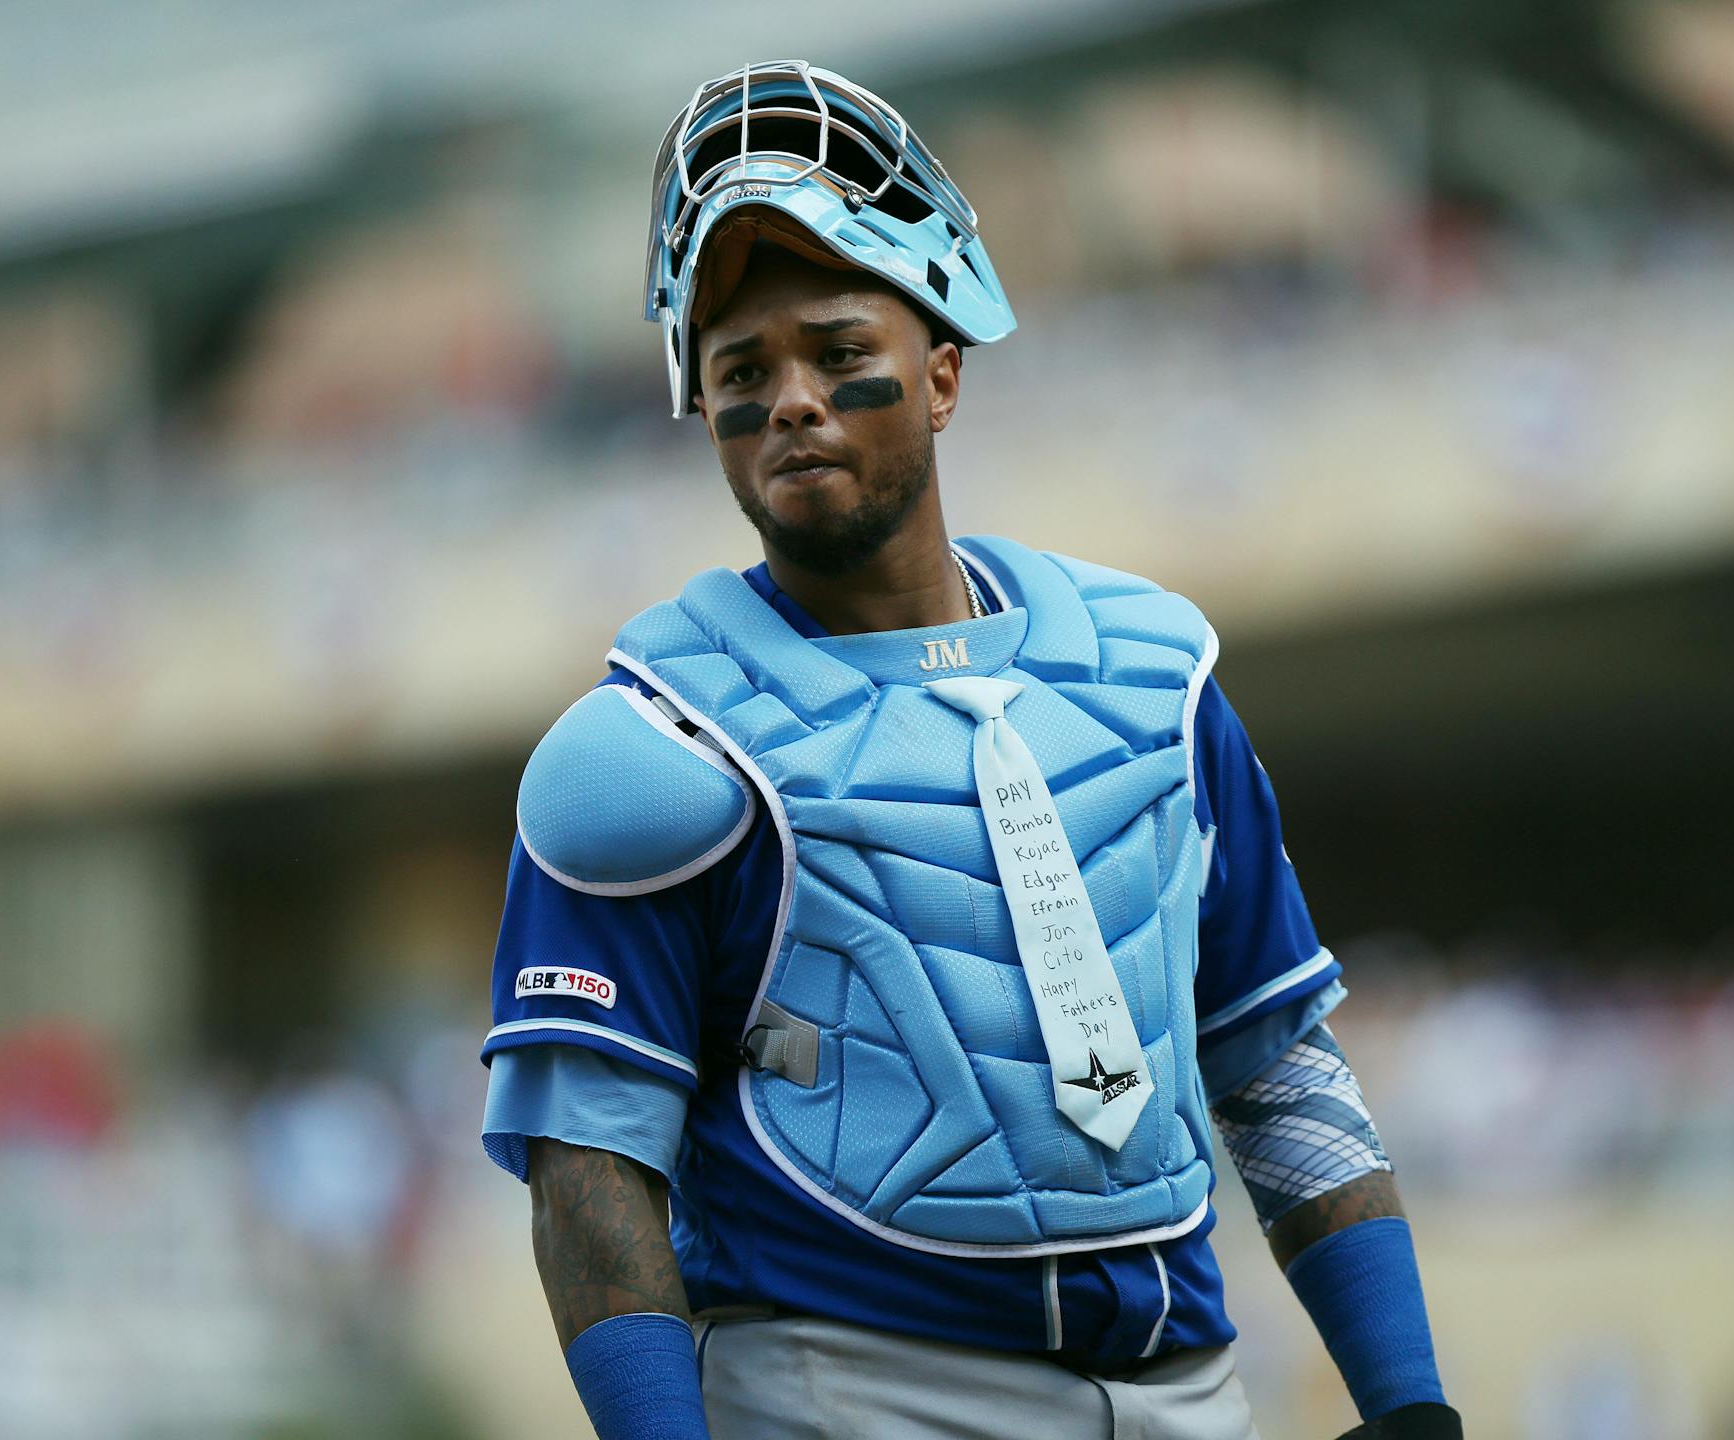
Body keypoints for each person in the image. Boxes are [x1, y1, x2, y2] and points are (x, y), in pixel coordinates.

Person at [478, 60, 1460, 1440]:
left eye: (837, 350)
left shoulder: (1151, 676)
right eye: (743, 372)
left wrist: (1407, 1400)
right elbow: (587, 1168)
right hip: (850, 1394)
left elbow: (1275, 1063)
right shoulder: (648, 750)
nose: (795, 400)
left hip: (1194, 1388)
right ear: (703, 415)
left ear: (941, 372)